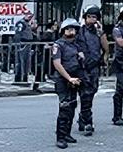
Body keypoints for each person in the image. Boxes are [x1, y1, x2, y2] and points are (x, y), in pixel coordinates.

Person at [75, 5, 108, 136]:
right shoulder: (79, 31)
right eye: (89, 17)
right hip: (81, 67)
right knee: (85, 94)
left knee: (90, 93)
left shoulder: (98, 32)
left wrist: (101, 32)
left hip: (94, 66)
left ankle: (84, 118)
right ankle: (87, 121)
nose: (92, 19)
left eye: (94, 17)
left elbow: (105, 48)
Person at [51, 18, 83, 149]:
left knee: (72, 105)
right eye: (68, 28)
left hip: (75, 78)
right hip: (63, 79)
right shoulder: (58, 45)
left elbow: (81, 60)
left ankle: (67, 133)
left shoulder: (76, 45)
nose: (71, 31)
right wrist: (69, 78)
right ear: (63, 30)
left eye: (73, 28)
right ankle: (60, 137)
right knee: (64, 107)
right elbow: (57, 63)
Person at [13, 10, 35, 84]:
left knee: (25, 62)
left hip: (26, 44)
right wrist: (20, 44)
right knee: (22, 62)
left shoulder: (26, 23)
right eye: (29, 15)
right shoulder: (21, 23)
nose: (30, 17)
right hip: (23, 44)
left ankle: (23, 78)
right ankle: (21, 78)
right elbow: (18, 34)